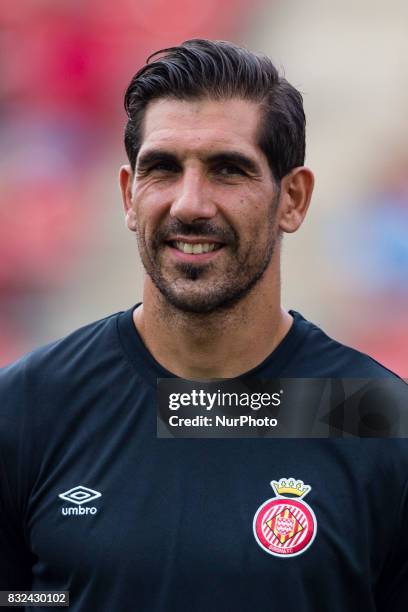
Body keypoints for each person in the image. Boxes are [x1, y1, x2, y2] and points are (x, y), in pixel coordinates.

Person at [0, 39, 407, 612]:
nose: (190, 203)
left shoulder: (373, 416)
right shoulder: (29, 408)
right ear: (127, 195)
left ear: (292, 198)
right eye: (163, 169)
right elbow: (15, 597)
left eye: (227, 170)